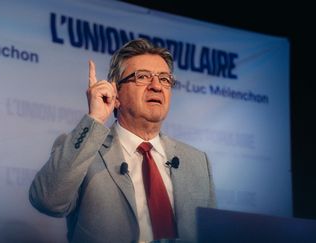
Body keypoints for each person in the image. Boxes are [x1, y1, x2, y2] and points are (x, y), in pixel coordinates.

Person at [29, 38, 216, 243]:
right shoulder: (84, 149)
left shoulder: (197, 162)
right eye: (142, 77)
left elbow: (214, 235)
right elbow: (46, 200)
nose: (156, 86)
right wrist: (95, 119)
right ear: (116, 94)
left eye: (164, 79)